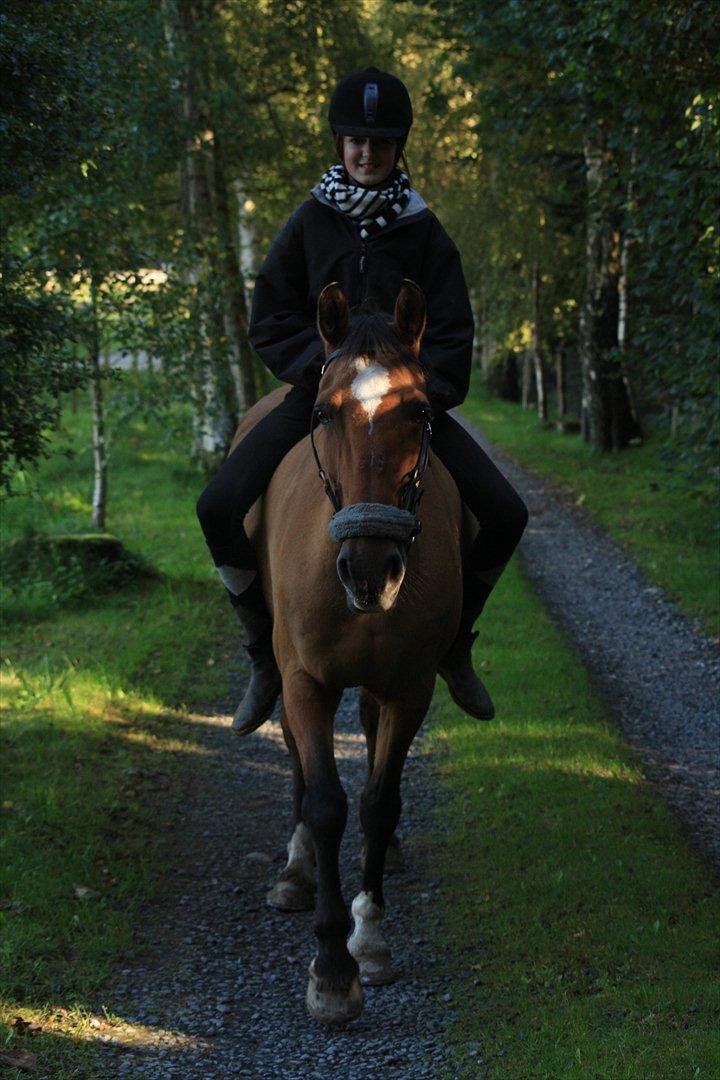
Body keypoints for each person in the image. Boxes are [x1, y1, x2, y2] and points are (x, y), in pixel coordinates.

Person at [197, 66, 528, 734]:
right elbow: (270, 319)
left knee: (506, 512)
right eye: (355, 140)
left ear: (398, 147)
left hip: (404, 414)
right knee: (216, 507)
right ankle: (264, 653)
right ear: (339, 142)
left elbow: (456, 334)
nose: (366, 153)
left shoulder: (425, 232)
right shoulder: (308, 223)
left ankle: (456, 646)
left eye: (379, 143)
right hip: (320, 402)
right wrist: (318, 371)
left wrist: (411, 392)